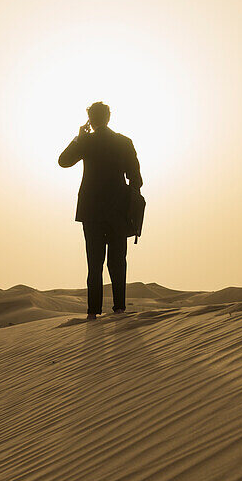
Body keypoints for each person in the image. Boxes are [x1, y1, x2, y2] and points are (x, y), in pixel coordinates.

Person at [58, 102, 143, 319]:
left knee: (94, 262)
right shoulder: (124, 142)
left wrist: (78, 137)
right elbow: (137, 179)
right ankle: (119, 308)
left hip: (92, 210)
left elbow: (64, 161)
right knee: (117, 261)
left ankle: (93, 312)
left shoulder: (86, 142)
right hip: (118, 211)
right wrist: (129, 200)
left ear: (91, 120)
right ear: (109, 117)